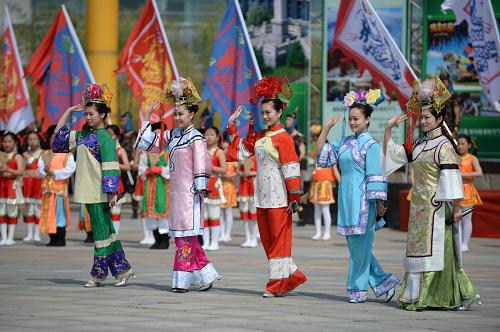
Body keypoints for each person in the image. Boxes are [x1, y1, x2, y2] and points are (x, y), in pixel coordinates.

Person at [384, 77, 480, 311]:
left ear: (439, 119)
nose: (423, 121)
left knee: (442, 255)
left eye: (427, 117)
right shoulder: (419, 144)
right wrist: (388, 128)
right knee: (417, 251)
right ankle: (416, 294)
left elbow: (451, 179)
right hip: (418, 208)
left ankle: (443, 296)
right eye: (422, 117)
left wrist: (457, 207)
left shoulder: (444, 146)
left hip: (437, 210)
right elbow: (392, 155)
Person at [135, 77, 219, 293]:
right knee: (187, 239)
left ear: (192, 114)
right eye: (175, 114)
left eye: (181, 114)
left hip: (190, 195)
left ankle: (181, 280)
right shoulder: (172, 135)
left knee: (183, 239)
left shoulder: (196, 138)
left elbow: (202, 164)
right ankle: (206, 275)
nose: (177, 117)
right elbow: (151, 145)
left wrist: (200, 186)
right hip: (176, 194)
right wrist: (146, 117)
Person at [316, 88, 399, 303]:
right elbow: (321, 155)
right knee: (356, 248)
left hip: (363, 202)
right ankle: (384, 282)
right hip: (346, 200)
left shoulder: (370, 146)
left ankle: (357, 289)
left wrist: (380, 203)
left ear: (368, 119)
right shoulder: (344, 142)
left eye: (356, 119)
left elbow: (375, 175)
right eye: (350, 118)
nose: (352, 122)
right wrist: (326, 129)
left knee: (360, 248)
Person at [226, 76, 307, 297]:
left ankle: (276, 285)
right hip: (261, 197)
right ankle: (292, 276)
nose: (265, 116)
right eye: (262, 113)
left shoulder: (285, 139)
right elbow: (240, 153)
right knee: (269, 241)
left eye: (268, 112)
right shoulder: (260, 136)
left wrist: (294, 197)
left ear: (279, 112)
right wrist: (232, 127)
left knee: (279, 242)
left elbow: (292, 169)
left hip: (280, 198)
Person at [52, 83, 134, 287]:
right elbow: (57, 139)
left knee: (100, 232)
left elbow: (111, 167)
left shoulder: (106, 138)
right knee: (106, 230)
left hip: (98, 192)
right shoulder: (82, 136)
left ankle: (97, 274)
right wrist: (68, 112)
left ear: (103, 115)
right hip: (88, 191)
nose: (87, 118)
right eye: (86, 114)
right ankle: (122, 269)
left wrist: (112, 193)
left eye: (91, 114)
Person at [39, 125, 76, 246]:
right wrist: (44, 170)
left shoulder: (67, 156)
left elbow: (70, 170)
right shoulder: (44, 154)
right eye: (52, 139)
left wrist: (54, 173)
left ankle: (60, 238)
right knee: (48, 214)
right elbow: (39, 169)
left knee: (60, 215)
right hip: (48, 191)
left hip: (60, 191)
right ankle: (52, 238)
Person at [138, 151, 171, 249]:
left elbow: (173, 168)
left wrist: (161, 170)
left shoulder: (168, 153)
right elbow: (141, 168)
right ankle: (157, 239)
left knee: (162, 211)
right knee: (150, 214)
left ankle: (165, 240)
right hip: (150, 186)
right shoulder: (146, 154)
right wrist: (147, 171)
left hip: (163, 186)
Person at [457, 134, 483, 252]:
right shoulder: (454, 157)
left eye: (463, 144)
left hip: (467, 190)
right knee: (457, 218)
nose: (460, 146)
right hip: (455, 189)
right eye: (458, 143)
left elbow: (479, 172)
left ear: (468, 145)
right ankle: (458, 242)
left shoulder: (472, 158)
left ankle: (465, 244)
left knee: (466, 218)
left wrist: (464, 175)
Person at [203, 126, 227, 251]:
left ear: (217, 137)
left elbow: (224, 170)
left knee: (214, 214)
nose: (208, 137)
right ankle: (206, 242)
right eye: (206, 134)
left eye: (211, 134)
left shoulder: (219, 152)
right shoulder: (201, 151)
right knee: (204, 216)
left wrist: (210, 167)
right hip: (202, 184)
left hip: (214, 184)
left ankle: (214, 242)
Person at [0, 132, 25, 246]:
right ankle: (4, 237)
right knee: (1, 212)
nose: (6, 144)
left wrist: (7, 170)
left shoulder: (17, 156)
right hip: (1, 186)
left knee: (12, 212)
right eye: (5, 142)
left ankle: (10, 237)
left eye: (9, 142)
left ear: (14, 143)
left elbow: (20, 172)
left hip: (12, 186)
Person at [106, 124, 131, 235]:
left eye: (111, 135)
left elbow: (127, 166)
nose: (108, 137)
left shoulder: (120, 150)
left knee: (115, 210)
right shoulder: (102, 149)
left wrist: (115, 164)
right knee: (105, 211)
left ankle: (115, 235)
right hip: (102, 183)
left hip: (116, 183)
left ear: (116, 136)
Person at [22, 131, 44, 242]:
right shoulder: (25, 154)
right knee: (28, 210)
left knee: (38, 210)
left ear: (39, 140)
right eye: (30, 139)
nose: (32, 141)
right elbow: (22, 170)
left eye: (35, 139)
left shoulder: (43, 153)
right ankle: (29, 233)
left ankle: (36, 234)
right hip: (28, 185)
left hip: (38, 184)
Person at [309, 163, 340, 241]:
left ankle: (327, 232)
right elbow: (313, 174)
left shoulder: (330, 158)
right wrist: (308, 191)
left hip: (325, 184)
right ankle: (318, 232)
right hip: (315, 185)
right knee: (317, 210)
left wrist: (342, 184)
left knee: (325, 209)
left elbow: (335, 172)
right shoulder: (316, 159)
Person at [238, 156, 258, 248]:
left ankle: (254, 238)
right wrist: (242, 173)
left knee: (253, 214)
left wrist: (251, 172)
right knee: (245, 214)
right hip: (244, 186)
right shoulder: (243, 158)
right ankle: (248, 238)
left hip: (254, 186)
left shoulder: (258, 156)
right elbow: (238, 170)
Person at [219, 141, 238, 243]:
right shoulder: (219, 160)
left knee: (228, 211)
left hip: (229, 187)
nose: (225, 150)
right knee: (221, 212)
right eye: (223, 148)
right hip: (220, 187)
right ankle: (221, 233)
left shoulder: (233, 161)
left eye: (227, 148)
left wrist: (230, 175)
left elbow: (239, 172)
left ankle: (228, 234)